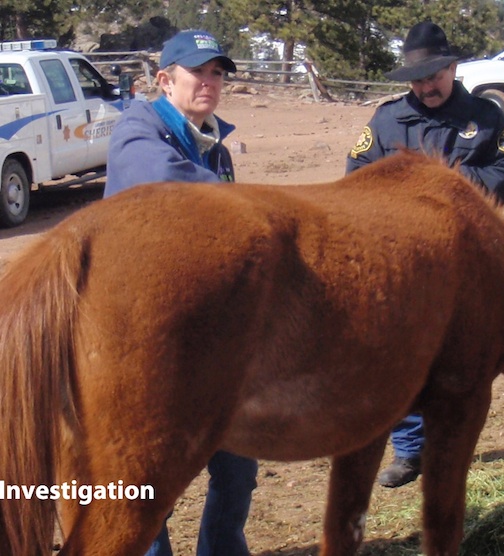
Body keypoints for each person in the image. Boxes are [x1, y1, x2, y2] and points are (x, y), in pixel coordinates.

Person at [346, 21, 504, 488]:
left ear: (452, 67)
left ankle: (451, 446)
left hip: (467, 263)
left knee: (463, 358)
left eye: (435, 76)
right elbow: (357, 178)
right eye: (418, 79)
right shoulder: (386, 122)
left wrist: (446, 193)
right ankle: (410, 452)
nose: (426, 87)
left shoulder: (486, 116)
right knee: (400, 355)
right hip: (401, 261)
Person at [105, 30, 258, 555]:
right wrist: (257, 209)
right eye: (200, 72)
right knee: (152, 471)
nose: (211, 82)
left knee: (238, 464)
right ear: (165, 79)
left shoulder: (213, 139)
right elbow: (160, 181)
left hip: (212, 329)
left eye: (218, 73)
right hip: (148, 334)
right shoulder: (138, 127)